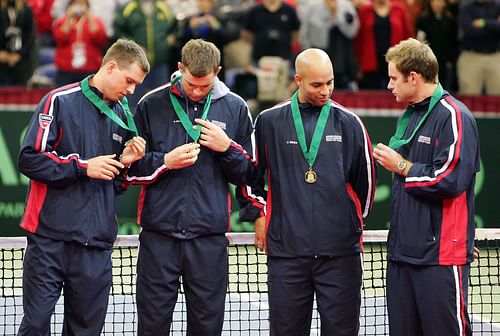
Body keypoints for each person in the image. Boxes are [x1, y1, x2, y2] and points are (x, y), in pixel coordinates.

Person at [16, 38, 150, 335]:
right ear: (111, 67)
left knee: (85, 330)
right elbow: (29, 159)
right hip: (49, 240)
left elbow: (114, 185)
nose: (131, 90)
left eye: (136, 85)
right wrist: (83, 166)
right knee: (36, 326)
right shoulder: (59, 100)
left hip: (95, 245)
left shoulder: (125, 116)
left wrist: (123, 163)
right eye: (129, 81)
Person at [125, 39, 256, 335]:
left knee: (207, 328)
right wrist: (165, 161)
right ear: (180, 68)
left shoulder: (236, 108)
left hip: (208, 240)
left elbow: (251, 174)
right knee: (152, 326)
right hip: (159, 238)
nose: (197, 91)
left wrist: (228, 149)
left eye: (205, 85)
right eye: (191, 84)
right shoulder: (150, 104)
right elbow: (130, 169)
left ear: (218, 71)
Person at [242, 48, 376, 335]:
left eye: (330, 82)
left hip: (340, 256)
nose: (325, 90)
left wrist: (350, 226)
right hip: (287, 255)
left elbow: (366, 186)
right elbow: (251, 176)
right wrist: (259, 212)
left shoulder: (350, 123)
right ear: (298, 80)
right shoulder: (268, 121)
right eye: (317, 84)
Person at [373, 38, 480, 335]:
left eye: (394, 78)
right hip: (402, 255)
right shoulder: (409, 117)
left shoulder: (454, 117)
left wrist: (402, 166)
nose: (389, 85)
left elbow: (451, 179)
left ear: (413, 77)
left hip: (440, 257)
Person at [52, 0, 108, 86]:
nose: (79, 7)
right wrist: (68, 17)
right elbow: (60, 38)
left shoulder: (96, 22)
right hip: (66, 70)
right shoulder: (62, 21)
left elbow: (100, 39)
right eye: (76, 4)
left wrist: (89, 17)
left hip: (90, 68)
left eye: (82, 4)